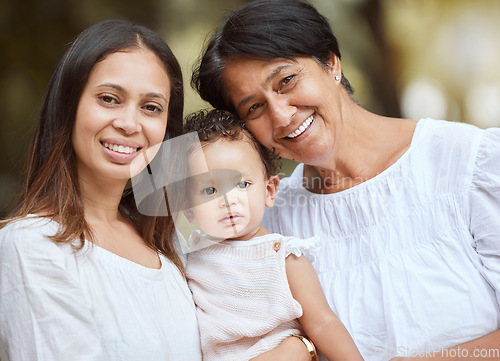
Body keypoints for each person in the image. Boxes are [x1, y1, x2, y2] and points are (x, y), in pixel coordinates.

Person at [191, 0, 500, 360]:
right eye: (254, 107)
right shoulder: (268, 225)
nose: (281, 114)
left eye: (286, 81)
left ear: (331, 63)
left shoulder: (471, 164)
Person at [0, 19, 203, 361]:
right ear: (69, 106)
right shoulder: (31, 245)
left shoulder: (169, 247)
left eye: (151, 107)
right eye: (109, 99)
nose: (128, 123)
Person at [181, 109, 364, 361]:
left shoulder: (284, 257)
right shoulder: (191, 258)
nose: (228, 200)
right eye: (210, 190)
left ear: (269, 190)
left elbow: (322, 323)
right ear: (189, 210)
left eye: (242, 184)